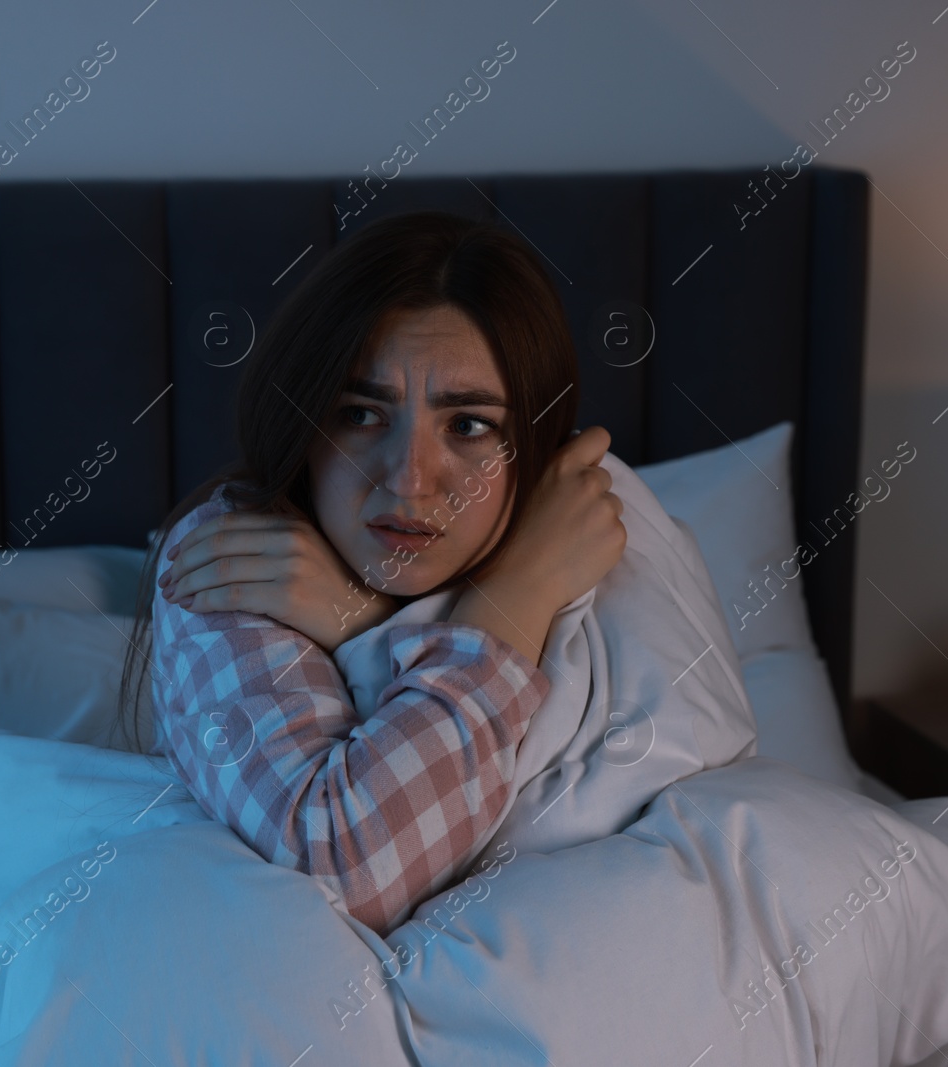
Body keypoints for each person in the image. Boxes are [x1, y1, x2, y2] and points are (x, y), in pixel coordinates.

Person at [116, 210, 626, 934]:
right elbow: (338, 869)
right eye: (360, 413)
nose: (410, 478)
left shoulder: (597, 518)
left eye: (470, 425)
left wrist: (364, 622)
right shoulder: (235, 555)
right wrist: (517, 600)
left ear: (537, 446)